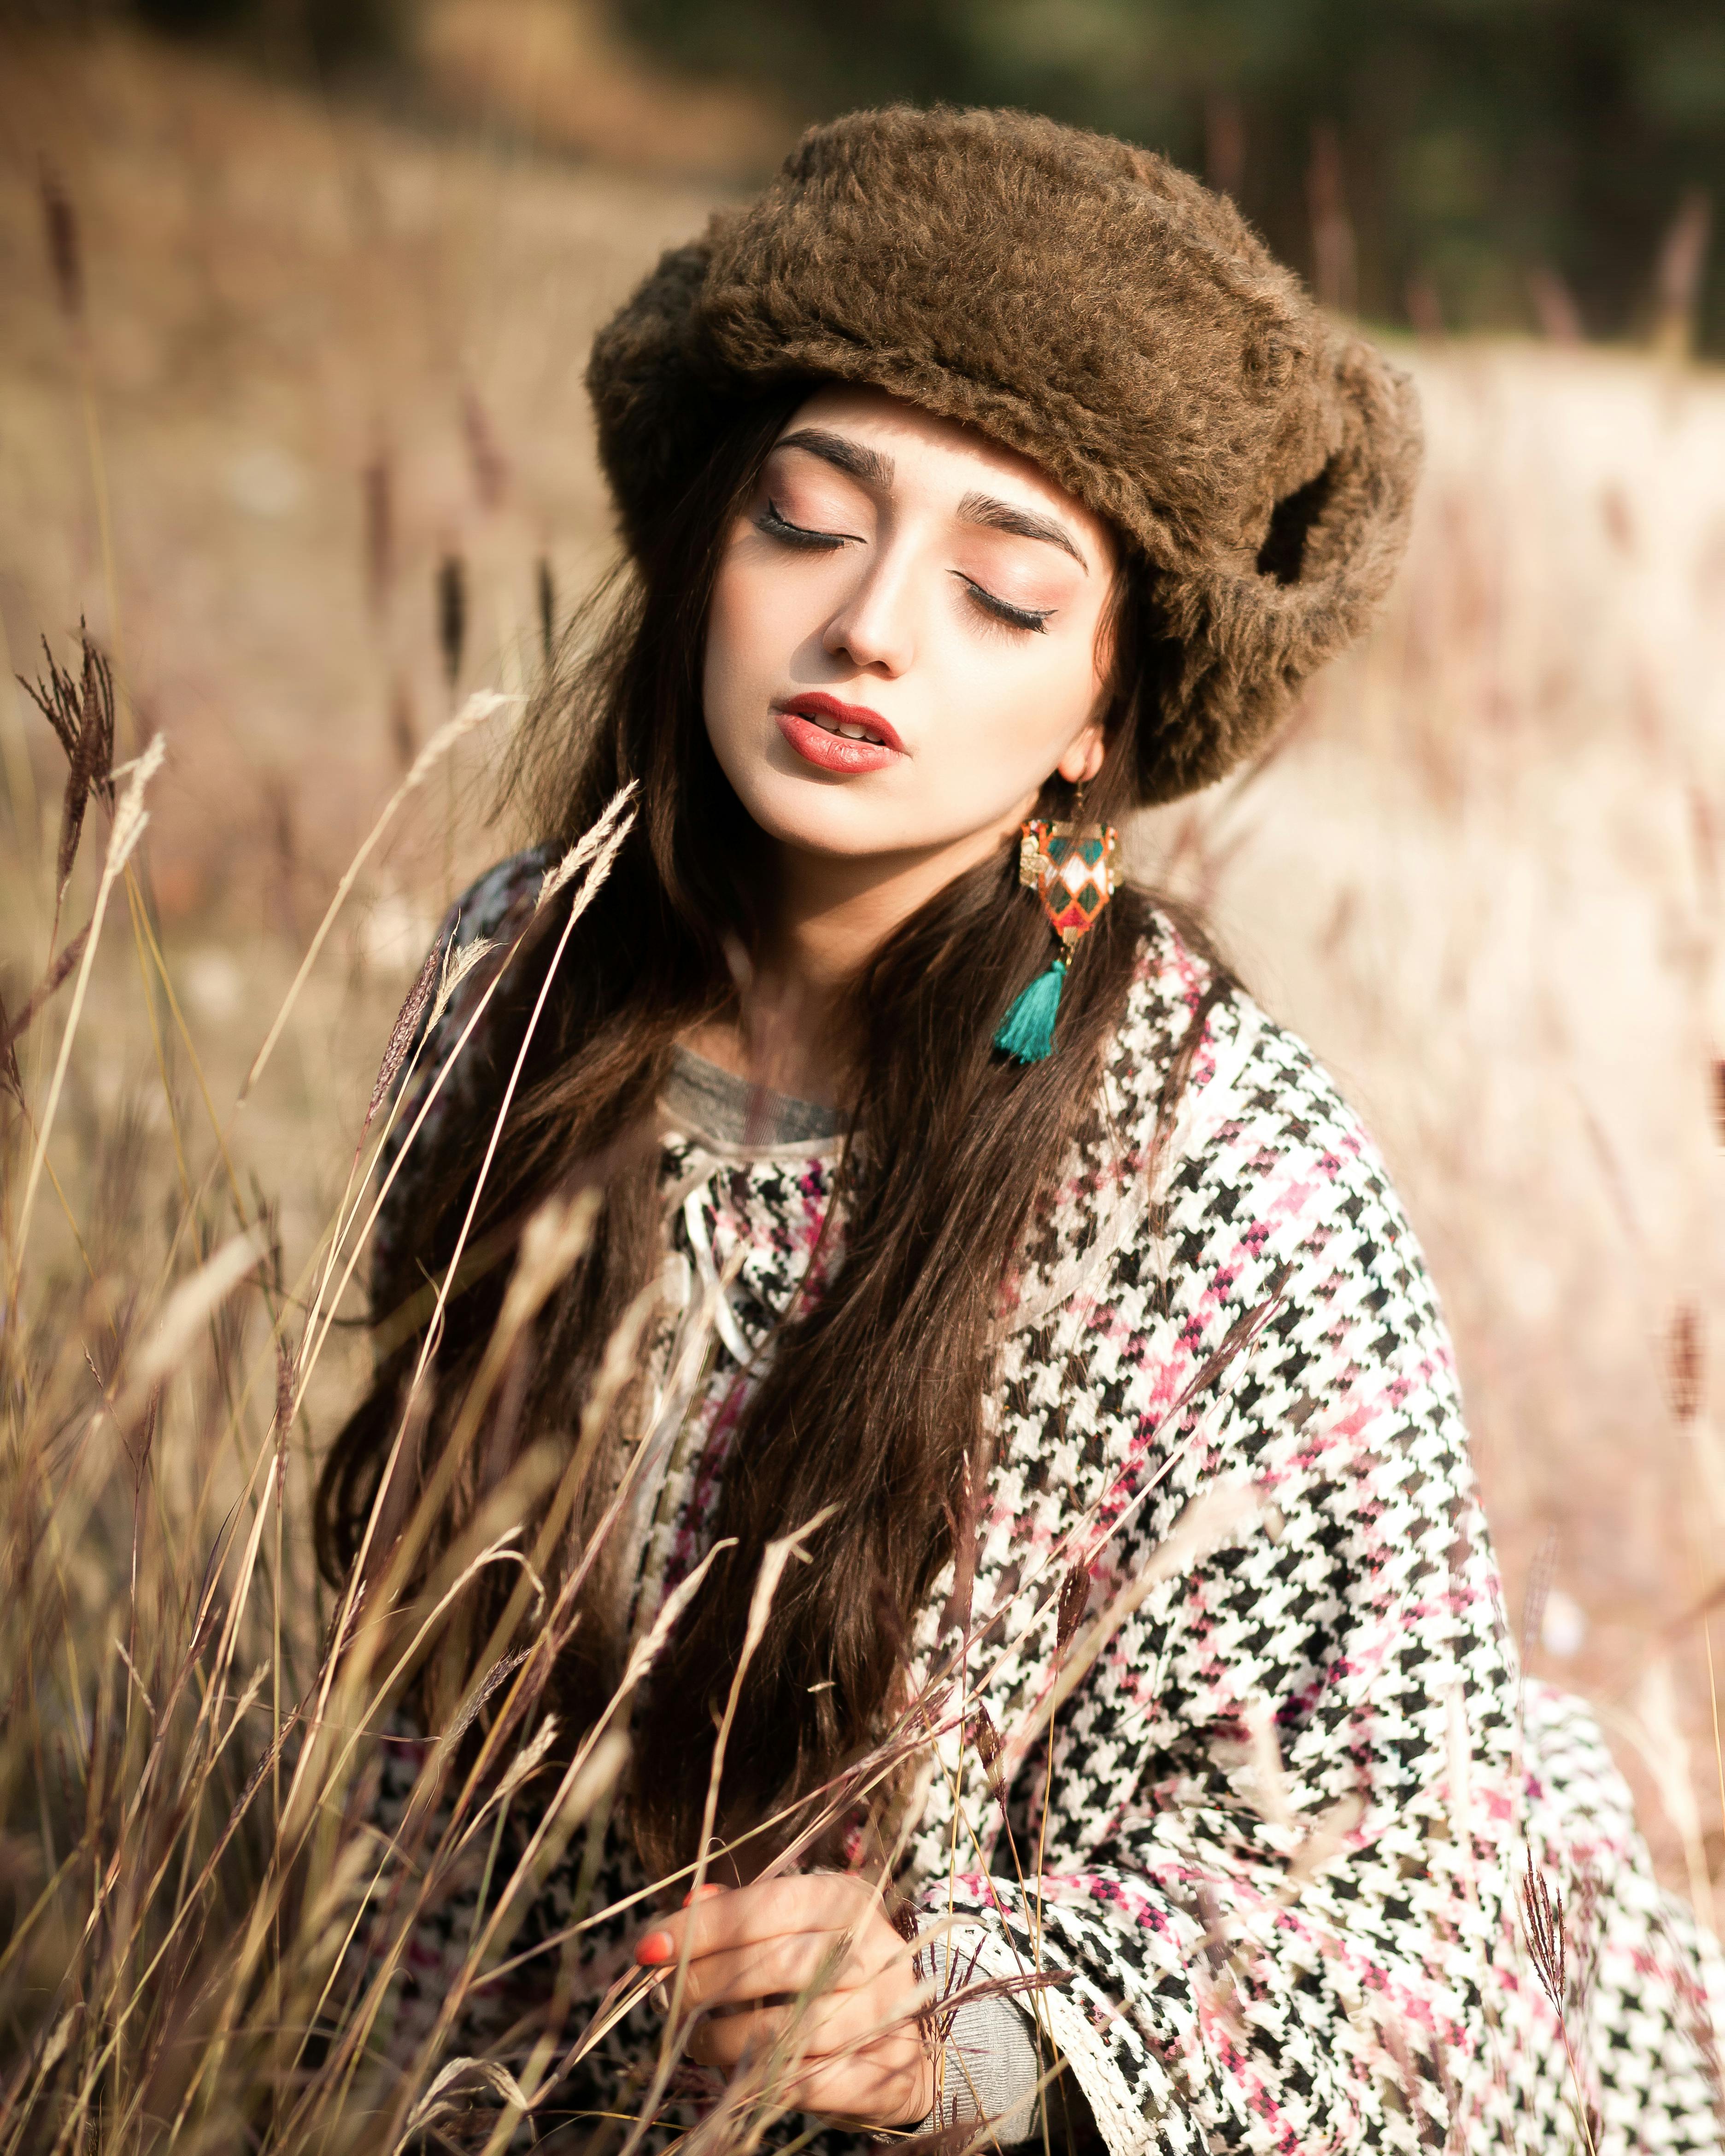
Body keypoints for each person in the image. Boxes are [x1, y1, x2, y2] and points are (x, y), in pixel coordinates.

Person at [321, 108, 1722, 2154]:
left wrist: (948, 2036)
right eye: (810, 517)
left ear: (1096, 709)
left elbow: (1402, 1916)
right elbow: (415, 1749)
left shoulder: (1220, 1171)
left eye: (1002, 589)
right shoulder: (509, 987)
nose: (872, 625)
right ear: (713, 543)